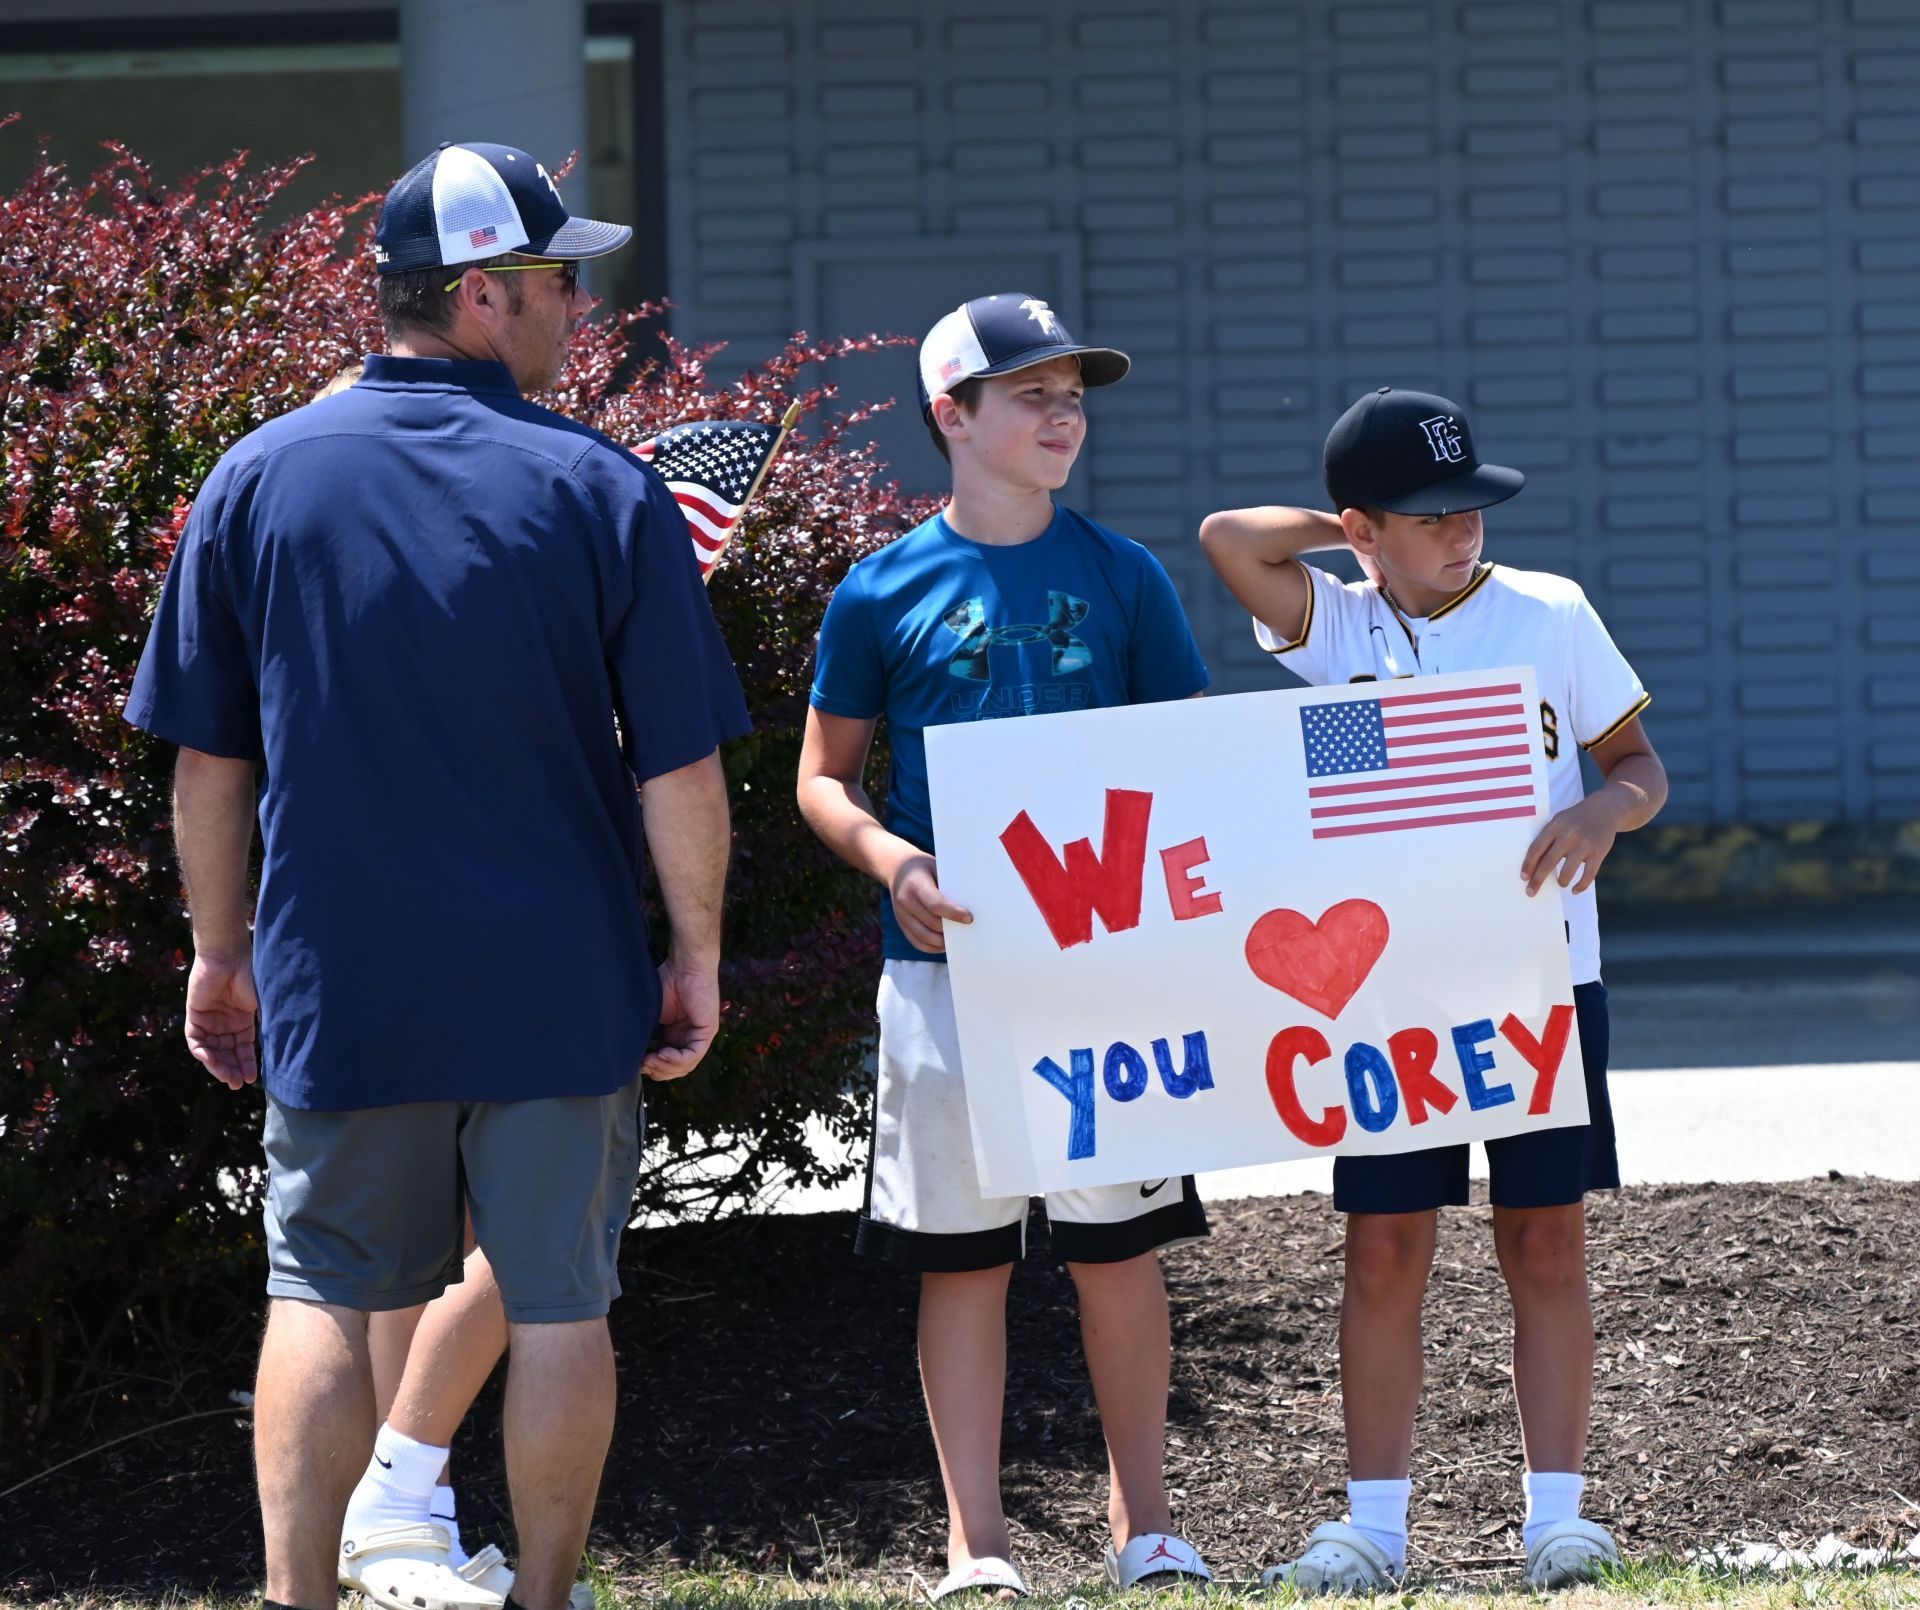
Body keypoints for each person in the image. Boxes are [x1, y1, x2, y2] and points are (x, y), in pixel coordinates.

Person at [124, 140, 750, 1610]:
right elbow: (679, 768)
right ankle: (543, 1595)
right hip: (556, 965)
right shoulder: (598, 486)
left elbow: (210, 765)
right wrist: (698, 954)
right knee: (558, 1304)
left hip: (345, 968)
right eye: (554, 277)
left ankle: (300, 1598)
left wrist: (220, 953)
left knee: (322, 1290)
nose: (575, 305)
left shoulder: (257, 477)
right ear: (482, 293)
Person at [1198, 387, 1668, 1592]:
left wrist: (1605, 809)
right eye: (1428, 515)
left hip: (1544, 980)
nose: (1461, 531)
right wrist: (1351, 533)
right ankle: (1373, 1526)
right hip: (1383, 999)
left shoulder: (1551, 610)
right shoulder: (1337, 627)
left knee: (1546, 1240)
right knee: (1383, 1245)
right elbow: (1225, 539)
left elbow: (1639, 765)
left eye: (1470, 507)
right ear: (1365, 530)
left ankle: (1559, 1517)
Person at [796, 294, 1215, 1599]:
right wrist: (892, 862)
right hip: (940, 978)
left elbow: (1191, 762)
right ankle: (975, 1546)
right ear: (952, 416)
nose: (1062, 414)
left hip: (1108, 966)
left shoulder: (1124, 575)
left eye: (1074, 393)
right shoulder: (881, 592)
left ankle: (1145, 1527)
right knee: (962, 1262)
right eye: (1030, 393)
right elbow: (822, 777)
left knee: (1118, 1247)